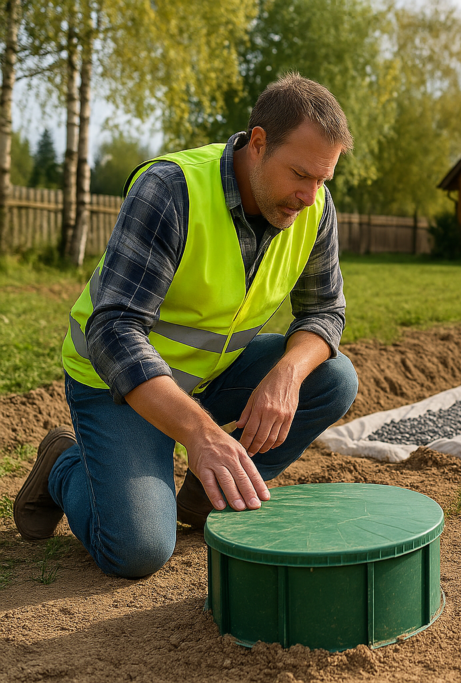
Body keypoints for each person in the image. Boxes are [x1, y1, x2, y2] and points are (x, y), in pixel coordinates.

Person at [13, 73, 359, 579]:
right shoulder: (172, 190)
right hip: (118, 382)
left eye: (322, 179)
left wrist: (285, 375)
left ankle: (204, 498)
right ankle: (65, 463)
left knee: (332, 378)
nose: (310, 196)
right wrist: (201, 433)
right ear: (258, 143)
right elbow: (115, 330)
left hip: (209, 374)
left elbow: (324, 311)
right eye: (300, 174)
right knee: (139, 551)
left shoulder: (312, 208)